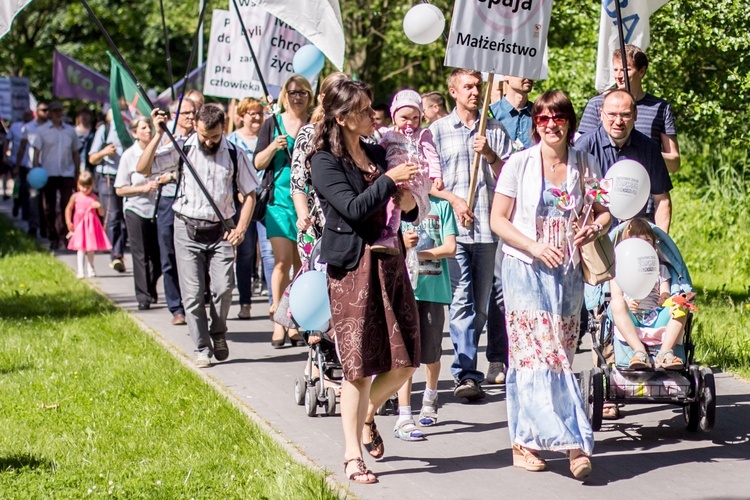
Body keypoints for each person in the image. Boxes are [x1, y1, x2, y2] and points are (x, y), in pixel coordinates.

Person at [490, 90, 610, 479]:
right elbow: (498, 220)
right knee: (541, 357)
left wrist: (595, 226)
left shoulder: (584, 163)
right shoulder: (518, 164)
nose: (551, 125)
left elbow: (604, 211)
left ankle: (524, 440)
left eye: (558, 118)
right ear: (535, 125)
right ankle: (574, 444)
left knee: (560, 353)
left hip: (568, 274)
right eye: (543, 119)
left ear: (570, 123)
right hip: (525, 269)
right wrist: (534, 246)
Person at [310, 79, 421, 484]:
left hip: (391, 262)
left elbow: (406, 209)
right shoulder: (323, 161)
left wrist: (408, 200)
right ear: (342, 118)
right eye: (363, 109)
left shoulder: (377, 151)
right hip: (353, 268)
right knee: (357, 368)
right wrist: (390, 181)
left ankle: (367, 416)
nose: (372, 115)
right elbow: (354, 208)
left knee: (407, 360)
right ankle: (352, 455)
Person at [138, 104, 259, 367]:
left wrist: (240, 228)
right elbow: (144, 168)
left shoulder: (235, 154)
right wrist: (159, 134)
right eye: (204, 135)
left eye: (214, 136)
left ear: (222, 128)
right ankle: (202, 347)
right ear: (195, 126)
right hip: (186, 229)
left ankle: (218, 332)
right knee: (192, 294)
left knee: (224, 289)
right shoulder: (183, 149)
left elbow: (250, 194)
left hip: (222, 230)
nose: (208, 141)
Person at [429, 68, 513, 401]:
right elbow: (430, 185)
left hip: (488, 229)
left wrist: (490, 154)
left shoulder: (494, 129)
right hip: (454, 231)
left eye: (478, 86)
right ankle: (466, 373)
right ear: (453, 91)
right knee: (462, 301)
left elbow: (511, 176)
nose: (475, 92)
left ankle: (467, 358)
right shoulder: (437, 131)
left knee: (480, 307)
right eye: (468, 86)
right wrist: (454, 199)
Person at [254, 75, 312, 348]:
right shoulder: (272, 124)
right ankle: (278, 319)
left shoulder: (314, 124)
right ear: (284, 96)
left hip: (307, 201)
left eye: (302, 92)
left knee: (303, 266)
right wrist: (272, 146)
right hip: (278, 201)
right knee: (282, 261)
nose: (297, 97)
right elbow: (257, 162)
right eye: (292, 92)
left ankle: (295, 320)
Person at [485, 75, 535, 386]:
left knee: (529, 288)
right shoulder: (491, 117)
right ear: (506, 78)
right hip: (497, 211)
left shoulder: (541, 116)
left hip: (530, 214)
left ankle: (526, 354)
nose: (527, 75)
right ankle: (495, 358)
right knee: (497, 289)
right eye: (520, 71)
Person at [395, 195, 457, 439]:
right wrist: (402, 244)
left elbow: (450, 247)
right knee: (405, 356)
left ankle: (430, 397)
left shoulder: (441, 207)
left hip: (433, 291)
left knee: (431, 353)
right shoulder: (395, 206)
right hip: (404, 290)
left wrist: (417, 255)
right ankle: (404, 414)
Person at [575, 89, 673, 233]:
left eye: (625, 115)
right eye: (612, 114)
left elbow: (662, 200)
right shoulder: (583, 147)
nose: (618, 121)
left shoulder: (649, 148)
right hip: (594, 234)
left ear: (635, 115)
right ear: (601, 114)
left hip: (634, 233)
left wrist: (659, 241)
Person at [578, 44, 680, 173]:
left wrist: (643, 153)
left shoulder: (661, 108)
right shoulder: (597, 104)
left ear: (642, 71)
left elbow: (674, 163)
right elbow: (581, 155)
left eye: (625, 70)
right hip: (604, 188)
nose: (619, 75)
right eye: (616, 70)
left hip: (646, 190)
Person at [610, 218, 687, 370]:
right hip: (632, 318)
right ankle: (639, 351)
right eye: (637, 240)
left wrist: (665, 298)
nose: (643, 244)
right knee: (616, 303)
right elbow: (616, 295)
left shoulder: (660, 269)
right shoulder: (619, 272)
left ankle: (665, 352)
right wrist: (627, 303)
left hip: (656, 315)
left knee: (681, 304)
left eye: (647, 240)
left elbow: (665, 291)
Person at [291, 72, 350, 264]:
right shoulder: (308, 133)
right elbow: (298, 182)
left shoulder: (361, 136)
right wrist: (303, 216)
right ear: (323, 98)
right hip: (315, 224)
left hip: (350, 223)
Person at [374, 89, 440, 252]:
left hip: (414, 176)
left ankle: (391, 233)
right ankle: (390, 232)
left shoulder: (422, 134)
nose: (410, 122)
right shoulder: (388, 134)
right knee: (391, 202)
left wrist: (436, 174)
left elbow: (432, 154)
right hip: (394, 175)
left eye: (415, 118)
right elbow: (378, 151)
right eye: (404, 118)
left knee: (400, 202)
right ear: (394, 117)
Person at [115, 116, 165, 311]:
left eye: (149, 127)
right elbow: (120, 189)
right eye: (143, 128)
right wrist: (143, 188)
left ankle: (150, 286)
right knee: (141, 254)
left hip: (158, 209)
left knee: (160, 256)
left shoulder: (159, 151)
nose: (148, 131)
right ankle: (143, 297)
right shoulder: (129, 155)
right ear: (134, 133)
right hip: (135, 208)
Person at [226, 97, 266, 320]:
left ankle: (275, 303)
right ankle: (245, 302)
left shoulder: (268, 136)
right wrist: (238, 191)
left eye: (260, 113)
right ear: (242, 115)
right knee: (246, 252)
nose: (256, 117)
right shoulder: (231, 140)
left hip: (266, 200)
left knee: (269, 254)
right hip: (243, 202)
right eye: (251, 113)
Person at [32, 101, 82, 251]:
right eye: (55, 111)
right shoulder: (42, 131)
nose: (58, 114)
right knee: (49, 208)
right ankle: (52, 236)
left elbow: (76, 152)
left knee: (66, 206)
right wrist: (36, 169)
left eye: (60, 111)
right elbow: (36, 152)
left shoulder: (70, 131)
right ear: (50, 114)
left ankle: (65, 236)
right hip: (48, 173)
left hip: (66, 173)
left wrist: (77, 172)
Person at [89, 109, 128, 273]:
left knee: (125, 216)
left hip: (126, 177)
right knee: (112, 215)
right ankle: (116, 255)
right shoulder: (104, 130)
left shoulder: (128, 130)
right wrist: (104, 152)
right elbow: (92, 158)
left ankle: (119, 250)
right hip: (108, 177)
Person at [64, 170, 111, 278]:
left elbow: (102, 213)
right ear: (78, 185)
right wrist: (68, 222)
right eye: (82, 186)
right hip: (79, 226)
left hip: (90, 227)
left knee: (90, 248)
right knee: (80, 248)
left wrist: (98, 206)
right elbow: (68, 209)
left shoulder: (94, 197)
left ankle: (91, 267)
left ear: (92, 186)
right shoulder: (75, 197)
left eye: (88, 187)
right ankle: (80, 270)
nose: (85, 189)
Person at [16, 103, 48, 237]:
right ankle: (33, 226)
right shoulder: (28, 128)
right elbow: (22, 147)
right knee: (33, 199)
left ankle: (45, 228)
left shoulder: (51, 128)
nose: (46, 113)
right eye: (43, 110)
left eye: (48, 110)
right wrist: (17, 165)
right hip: (32, 169)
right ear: (37, 111)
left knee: (46, 201)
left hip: (48, 168)